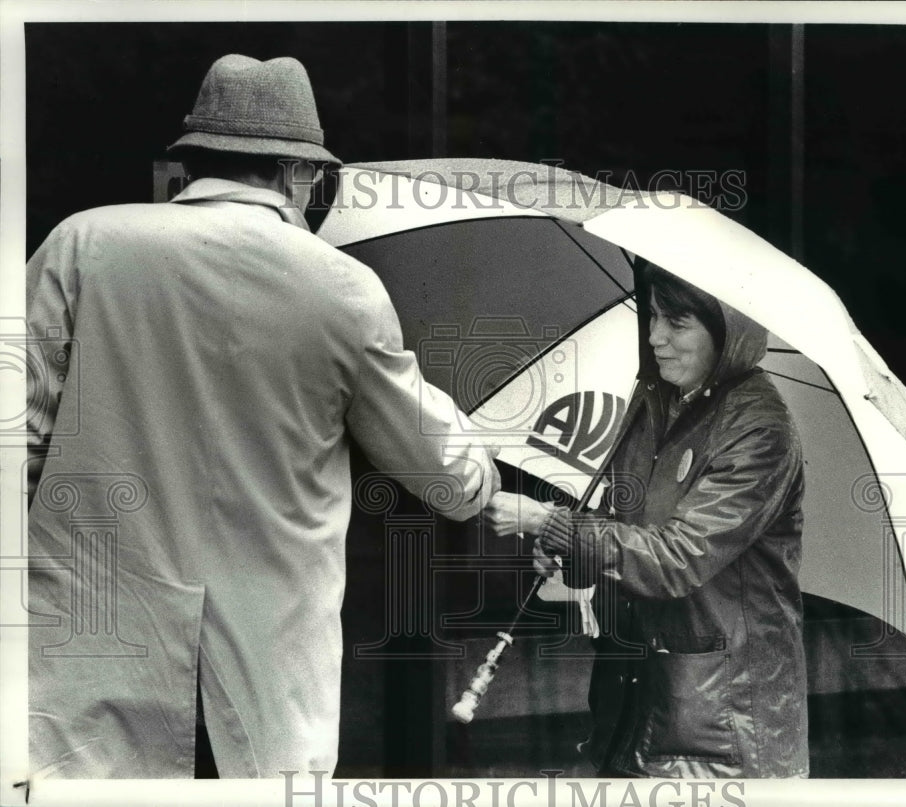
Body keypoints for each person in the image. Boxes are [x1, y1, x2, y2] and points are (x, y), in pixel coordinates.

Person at [26, 54, 499, 778]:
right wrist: (476, 453)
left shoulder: (81, 244)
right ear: (295, 173)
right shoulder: (340, 287)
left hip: (88, 683)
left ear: (193, 163)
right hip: (261, 697)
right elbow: (446, 480)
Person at [485, 260, 808, 778]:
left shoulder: (760, 430)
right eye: (653, 316)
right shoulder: (655, 397)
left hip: (720, 729)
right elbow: (625, 522)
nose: (656, 336)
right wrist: (569, 550)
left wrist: (552, 524)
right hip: (633, 705)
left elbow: (676, 559)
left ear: (727, 335)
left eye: (677, 323)